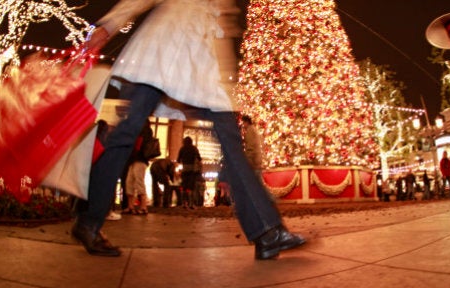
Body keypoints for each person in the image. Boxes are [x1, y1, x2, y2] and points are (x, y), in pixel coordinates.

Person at [72, 0, 305, 259]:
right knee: (126, 135)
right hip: (165, 48)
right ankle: (89, 221)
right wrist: (111, 24)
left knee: (227, 140)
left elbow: (222, 26)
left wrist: (225, 79)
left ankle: (267, 232)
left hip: (198, 61)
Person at [121, 121, 153, 215]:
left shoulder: (145, 130)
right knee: (129, 181)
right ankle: (130, 206)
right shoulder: (138, 130)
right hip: (133, 158)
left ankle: (143, 206)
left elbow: (141, 143)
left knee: (138, 181)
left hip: (140, 158)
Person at [177, 136, 202, 209]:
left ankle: (184, 203)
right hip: (192, 170)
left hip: (184, 169)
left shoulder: (182, 148)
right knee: (191, 187)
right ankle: (191, 204)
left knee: (184, 187)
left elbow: (178, 160)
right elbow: (199, 158)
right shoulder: (194, 148)